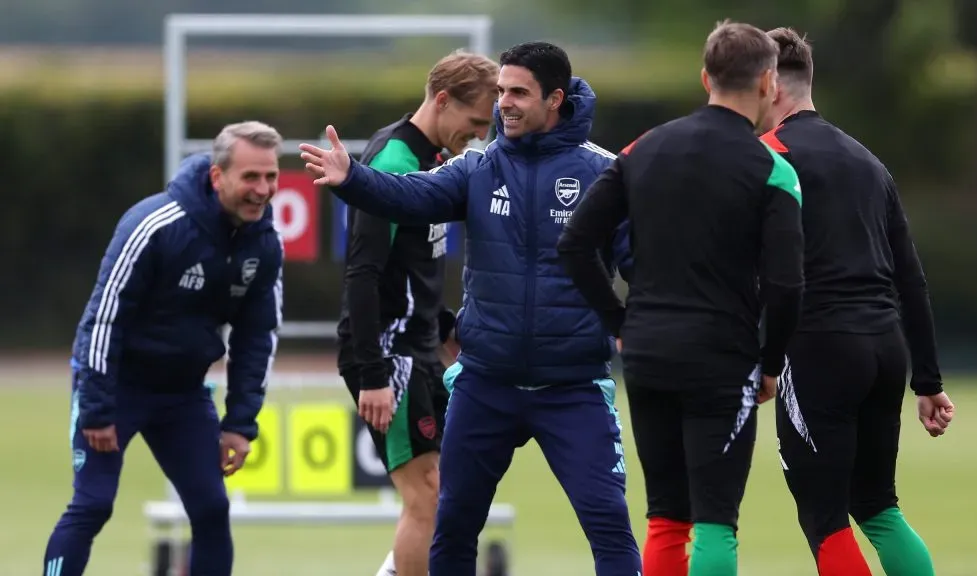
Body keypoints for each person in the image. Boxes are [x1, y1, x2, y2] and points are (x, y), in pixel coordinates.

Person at [301, 41, 641, 576]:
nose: (503, 103)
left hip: (572, 385)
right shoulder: (478, 166)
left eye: (518, 93)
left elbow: (637, 263)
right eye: (500, 90)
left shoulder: (604, 171)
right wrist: (352, 180)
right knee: (453, 526)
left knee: (608, 524)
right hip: (487, 385)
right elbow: (408, 196)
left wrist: (640, 326)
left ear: (555, 99)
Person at [556, 21, 804, 576]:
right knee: (717, 518)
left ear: (704, 77)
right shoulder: (774, 169)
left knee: (666, 516)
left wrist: (618, 319)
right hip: (721, 356)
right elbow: (788, 285)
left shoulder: (641, 149)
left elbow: (575, 243)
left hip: (646, 353)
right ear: (768, 82)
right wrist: (771, 363)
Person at [42, 121, 285, 576]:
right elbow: (103, 318)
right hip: (116, 388)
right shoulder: (154, 224)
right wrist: (97, 407)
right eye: (250, 177)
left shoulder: (265, 243)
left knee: (212, 510)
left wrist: (240, 424)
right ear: (218, 177)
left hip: (183, 395)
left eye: (270, 177)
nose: (263, 189)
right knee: (93, 505)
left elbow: (258, 337)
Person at [756, 27, 954, 576]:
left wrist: (760, 355)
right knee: (878, 506)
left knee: (824, 517)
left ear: (768, 86)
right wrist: (929, 381)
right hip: (884, 349)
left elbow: (758, 269)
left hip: (819, 347)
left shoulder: (767, 158)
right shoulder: (869, 162)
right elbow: (910, 278)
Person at [335, 49, 498, 576]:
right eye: (474, 123)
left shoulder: (434, 161)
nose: (477, 136)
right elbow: (363, 273)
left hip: (421, 346)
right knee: (425, 496)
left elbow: (414, 268)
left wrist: (447, 327)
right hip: (389, 356)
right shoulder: (393, 162)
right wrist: (373, 374)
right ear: (443, 100)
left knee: (450, 491)